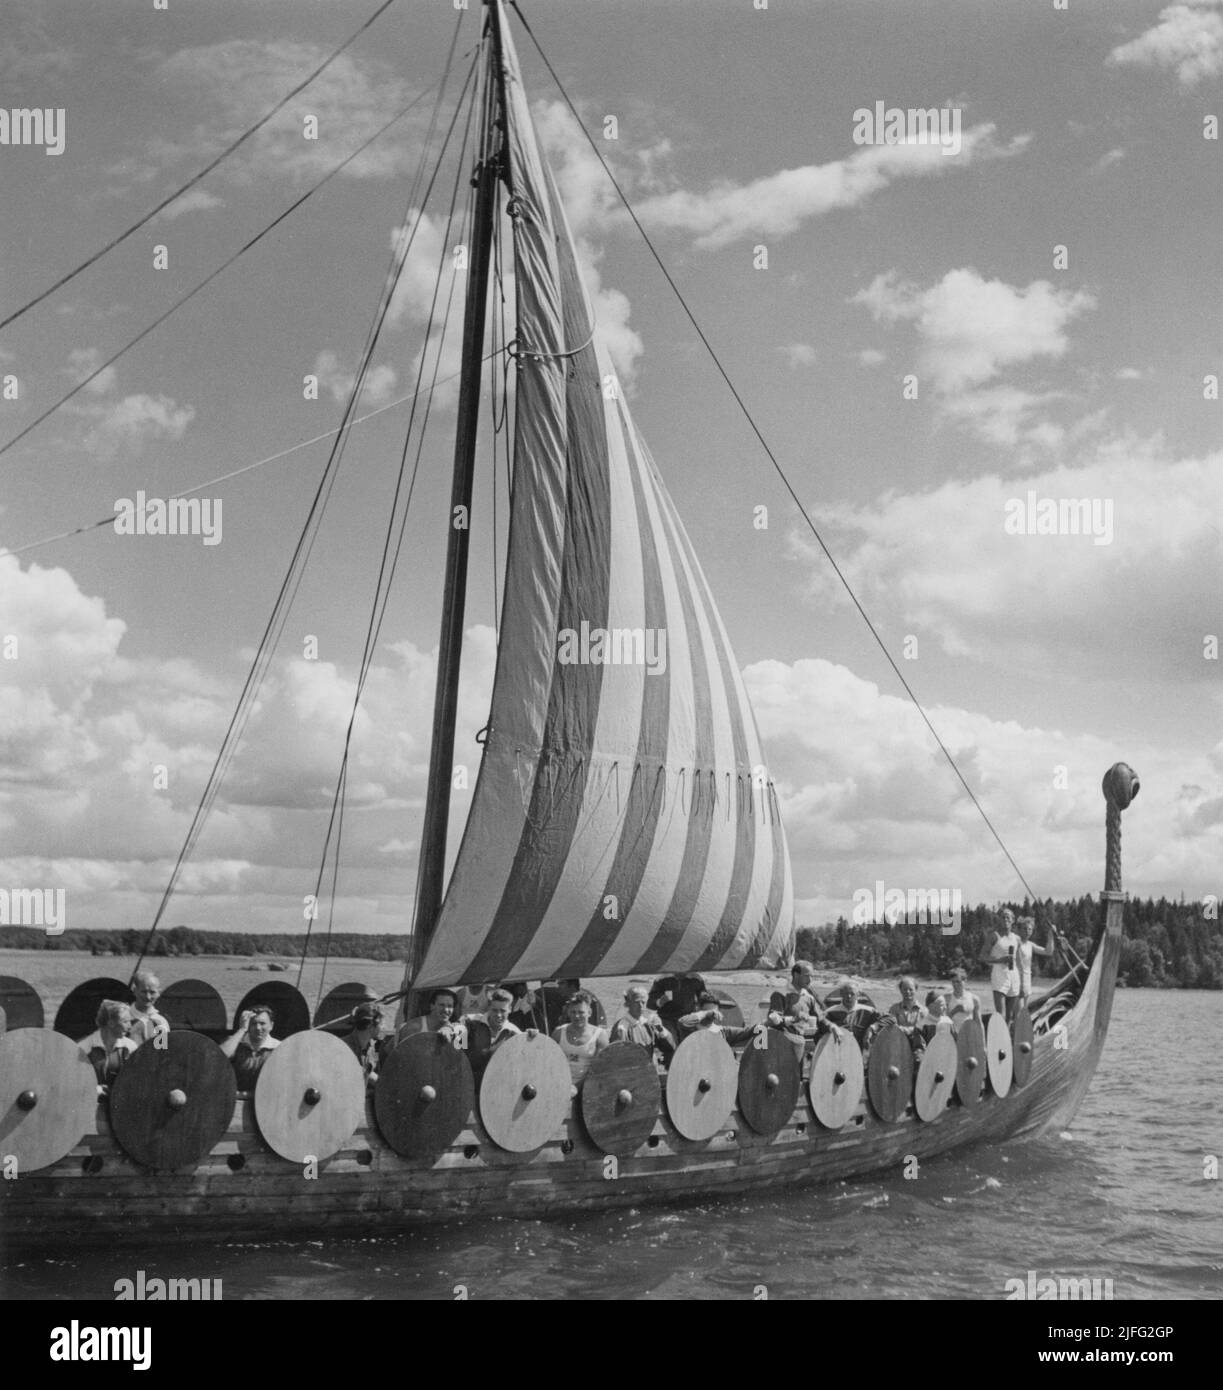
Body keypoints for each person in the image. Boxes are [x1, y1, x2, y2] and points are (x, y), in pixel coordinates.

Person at [552, 991, 609, 1085]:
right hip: (560, 1084)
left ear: (589, 1013)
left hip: (588, 1086)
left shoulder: (600, 1036)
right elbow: (549, 1061)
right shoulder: (558, 1033)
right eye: (573, 1012)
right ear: (568, 1013)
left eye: (581, 1012)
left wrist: (577, 1088)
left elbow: (598, 1069)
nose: (577, 1016)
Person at [609, 984, 675, 1066]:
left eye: (643, 1002)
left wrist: (660, 1028)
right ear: (628, 1003)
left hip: (650, 1072)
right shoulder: (622, 1027)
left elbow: (670, 1047)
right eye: (637, 1002)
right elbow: (617, 1056)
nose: (641, 1006)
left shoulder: (648, 1024)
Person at [221, 1006, 280, 1092]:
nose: (258, 1028)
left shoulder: (278, 1047)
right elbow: (219, 1057)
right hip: (236, 1100)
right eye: (253, 1023)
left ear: (271, 1025)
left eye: (262, 1023)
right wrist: (242, 1030)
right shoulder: (235, 1043)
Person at [677, 992, 762, 1048]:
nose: (711, 1015)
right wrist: (705, 1013)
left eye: (714, 1011)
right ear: (698, 1009)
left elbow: (748, 1032)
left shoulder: (723, 1032)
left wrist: (767, 1023)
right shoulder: (689, 1029)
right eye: (708, 1011)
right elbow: (682, 1022)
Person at [981, 909, 1021, 1021]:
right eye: (1003, 917)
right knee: (1000, 1014)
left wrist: (1022, 982)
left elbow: (1019, 961)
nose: (1005, 919)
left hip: (1014, 976)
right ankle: (999, 1036)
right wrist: (1000, 960)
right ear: (999, 920)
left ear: (1013, 920)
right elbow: (982, 956)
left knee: (1011, 1015)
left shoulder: (1017, 938)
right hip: (999, 975)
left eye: (1008, 917)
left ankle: (1009, 1037)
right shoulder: (994, 936)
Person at [86, 1000, 137, 1089]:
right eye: (125, 1022)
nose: (130, 1027)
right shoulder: (85, 1047)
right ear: (111, 1023)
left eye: (130, 1021)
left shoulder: (130, 1047)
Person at [397, 988, 468, 1049]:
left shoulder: (459, 1031)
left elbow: (460, 1060)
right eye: (441, 1005)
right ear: (432, 1006)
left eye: (450, 1006)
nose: (446, 1010)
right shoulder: (413, 1027)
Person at [341, 1002, 388, 1082]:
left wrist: (381, 1084)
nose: (384, 1027)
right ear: (370, 1026)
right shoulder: (343, 1048)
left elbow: (366, 1072)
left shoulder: (370, 1048)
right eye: (381, 1024)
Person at [1016, 917, 1054, 1007]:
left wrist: (1050, 936)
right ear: (1019, 929)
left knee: (1024, 1010)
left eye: (1030, 929)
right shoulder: (1015, 942)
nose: (1027, 931)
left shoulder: (1030, 945)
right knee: (1018, 1010)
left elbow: (1048, 952)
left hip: (1027, 980)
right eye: (1024, 928)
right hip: (1016, 980)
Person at [128, 970, 168, 1046]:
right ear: (135, 991)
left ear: (159, 993)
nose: (148, 997)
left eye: (152, 992)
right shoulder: (123, 1018)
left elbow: (161, 1051)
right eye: (144, 992)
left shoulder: (161, 1023)